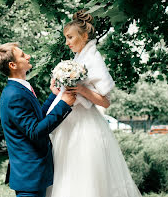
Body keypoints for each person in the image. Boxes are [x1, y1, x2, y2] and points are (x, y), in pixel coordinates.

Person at [45, 10, 142, 197]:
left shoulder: (93, 59)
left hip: (86, 126)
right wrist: (56, 89)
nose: (67, 42)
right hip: (68, 124)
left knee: (86, 176)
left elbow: (105, 102)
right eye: (66, 38)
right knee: (67, 173)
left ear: (84, 36)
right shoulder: (77, 59)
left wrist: (82, 90)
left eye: (70, 37)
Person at [0, 43, 76, 197]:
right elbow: (36, 132)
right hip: (30, 176)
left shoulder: (21, 88)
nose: (28, 56)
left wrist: (54, 95)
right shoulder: (14, 95)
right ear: (13, 65)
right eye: (23, 55)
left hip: (35, 174)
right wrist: (64, 104)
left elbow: (36, 120)